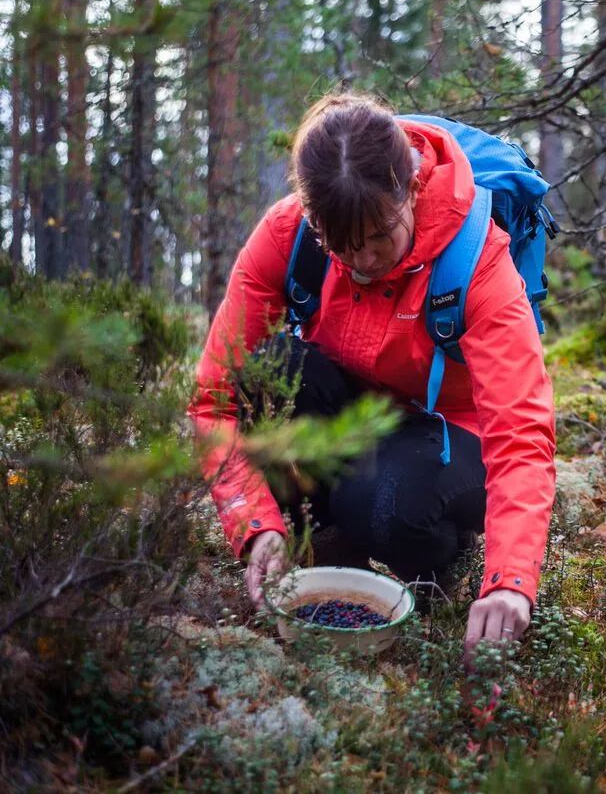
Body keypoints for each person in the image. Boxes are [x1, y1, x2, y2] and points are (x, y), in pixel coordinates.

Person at [189, 91, 556, 657]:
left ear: (410, 186)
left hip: (451, 432)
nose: (363, 261)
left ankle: (434, 549)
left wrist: (510, 583)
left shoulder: (477, 259)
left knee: (381, 507)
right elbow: (214, 400)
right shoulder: (287, 236)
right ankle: (317, 539)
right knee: (267, 373)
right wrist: (253, 523)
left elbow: (521, 436)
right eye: (340, 246)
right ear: (311, 216)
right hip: (359, 409)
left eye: (381, 235)